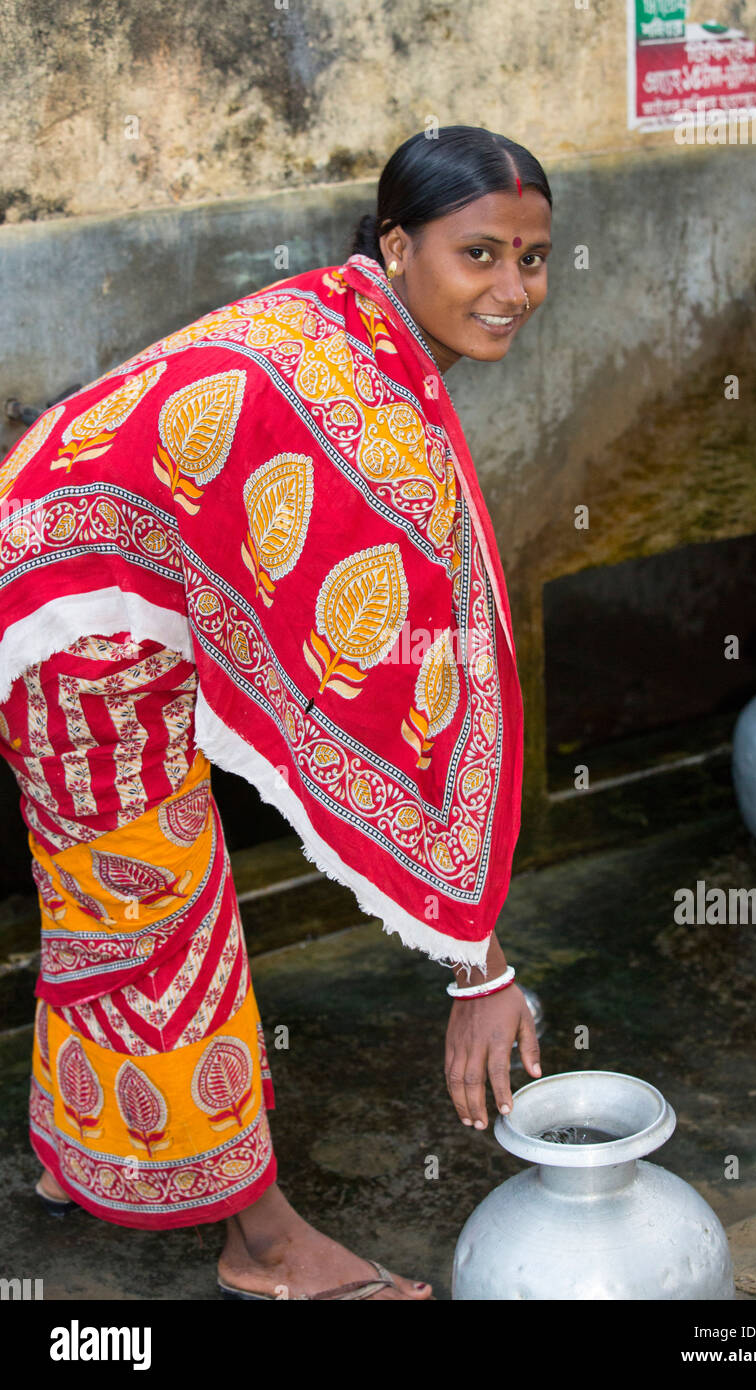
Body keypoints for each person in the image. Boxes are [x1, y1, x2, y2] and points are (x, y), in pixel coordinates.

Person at [0, 125, 552, 1300]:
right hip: (65, 622)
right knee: (156, 919)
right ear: (397, 247)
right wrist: (477, 968)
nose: (511, 290)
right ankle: (264, 1248)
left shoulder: (360, 325)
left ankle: (77, 1152)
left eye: (532, 258)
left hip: (90, 582)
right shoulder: (360, 398)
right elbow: (411, 701)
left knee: (101, 905)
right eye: (479, 255)